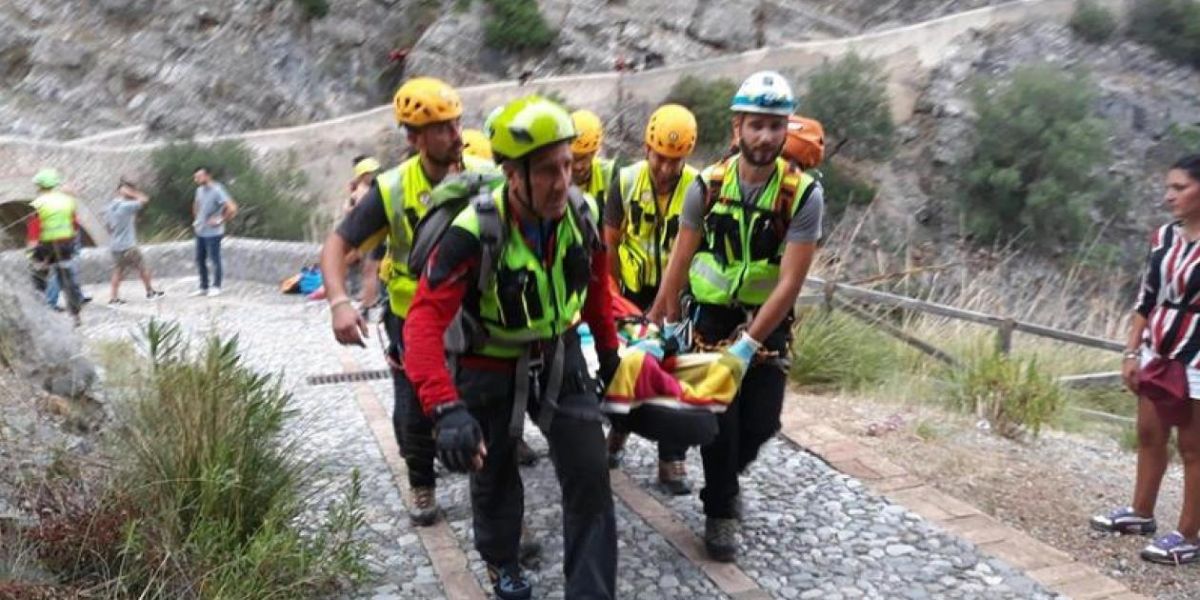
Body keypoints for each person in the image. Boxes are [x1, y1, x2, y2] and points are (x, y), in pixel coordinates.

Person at [403, 96, 622, 600]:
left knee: (590, 474)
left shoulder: (581, 216)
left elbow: (595, 292)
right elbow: (421, 323)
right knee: (495, 470)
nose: (562, 181)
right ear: (511, 173)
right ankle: (503, 562)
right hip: (488, 362)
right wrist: (444, 407)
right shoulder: (472, 232)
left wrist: (609, 358)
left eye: (567, 165)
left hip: (560, 353)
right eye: (547, 171)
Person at [646, 71, 824, 562]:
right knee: (719, 425)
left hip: (767, 325)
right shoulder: (706, 187)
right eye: (755, 125)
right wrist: (660, 316)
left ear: (785, 130)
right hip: (708, 324)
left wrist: (750, 344)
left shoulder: (803, 195)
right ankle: (720, 510)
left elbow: (790, 281)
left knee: (762, 422)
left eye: (774, 126)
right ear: (737, 129)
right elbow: (679, 260)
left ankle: (726, 480)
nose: (765, 137)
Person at [321, 77, 497, 527]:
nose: (456, 134)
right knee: (413, 414)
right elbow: (339, 245)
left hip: (476, 314)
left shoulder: (485, 175)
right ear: (414, 137)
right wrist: (340, 302)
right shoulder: (393, 189)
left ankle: (496, 505)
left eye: (457, 123)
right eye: (441, 128)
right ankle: (422, 480)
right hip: (411, 318)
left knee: (485, 407)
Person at [1091, 154, 1200, 566]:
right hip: (1158, 347)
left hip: (1199, 354)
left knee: (1194, 446)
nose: (1169, 195)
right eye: (1168, 187)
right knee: (1150, 433)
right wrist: (1132, 350)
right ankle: (1140, 514)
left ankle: (1189, 534)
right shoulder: (1164, 238)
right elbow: (1146, 298)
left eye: (1179, 187)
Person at [603, 104, 701, 495]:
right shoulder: (624, 182)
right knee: (630, 369)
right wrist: (611, 298)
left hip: (677, 296)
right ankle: (620, 429)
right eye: (660, 157)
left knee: (676, 372)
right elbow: (609, 242)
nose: (666, 168)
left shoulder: (698, 186)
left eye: (675, 161)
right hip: (631, 294)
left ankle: (672, 458)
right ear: (647, 148)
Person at [26, 168, 86, 326]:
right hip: (66, 246)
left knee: (38, 279)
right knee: (67, 280)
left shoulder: (37, 204)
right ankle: (76, 316)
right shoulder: (68, 201)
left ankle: (39, 314)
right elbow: (74, 225)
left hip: (45, 248)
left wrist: (30, 254)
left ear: (39, 186)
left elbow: (33, 233)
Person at [105, 180, 163, 304]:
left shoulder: (109, 207)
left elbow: (108, 227)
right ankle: (150, 291)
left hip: (115, 245)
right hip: (128, 245)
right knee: (143, 268)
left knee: (118, 271)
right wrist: (133, 193)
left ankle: (113, 297)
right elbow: (144, 199)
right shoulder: (126, 206)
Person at [191, 166, 236, 297]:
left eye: (199, 176)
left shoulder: (217, 190)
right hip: (200, 231)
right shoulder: (199, 190)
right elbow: (196, 204)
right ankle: (203, 286)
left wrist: (220, 219)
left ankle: (216, 286)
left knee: (214, 259)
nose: (196, 179)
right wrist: (197, 219)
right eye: (196, 177)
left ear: (207, 176)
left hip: (213, 233)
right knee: (200, 259)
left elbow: (232, 208)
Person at [348, 155, 383, 308]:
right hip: (373, 236)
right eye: (371, 172)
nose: (374, 175)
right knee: (370, 270)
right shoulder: (368, 191)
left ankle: (369, 301)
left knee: (370, 270)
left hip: (371, 236)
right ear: (363, 175)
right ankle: (369, 300)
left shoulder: (363, 191)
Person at [568, 109, 615, 205]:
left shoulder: (610, 174)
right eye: (572, 158)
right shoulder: (553, 181)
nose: (577, 166)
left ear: (594, 153)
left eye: (583, 158)